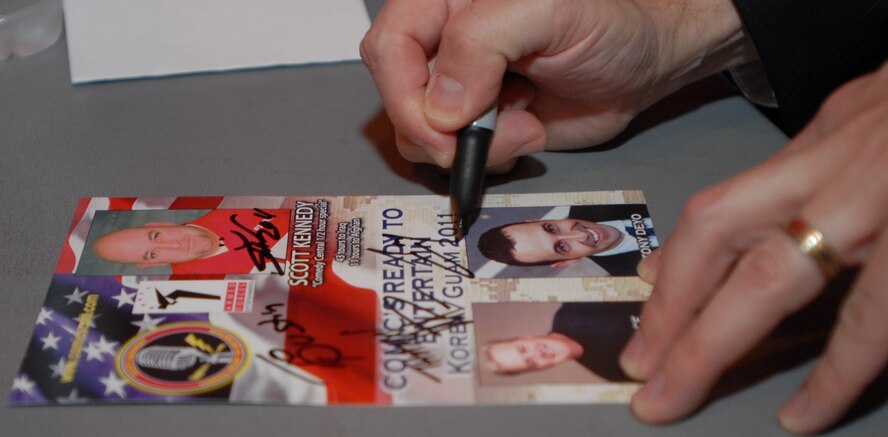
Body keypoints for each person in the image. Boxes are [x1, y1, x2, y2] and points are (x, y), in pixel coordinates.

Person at [360, 0, 888, 433]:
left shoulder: (578, 313)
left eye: (553, 229)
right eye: (562, 248)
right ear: (561, 269)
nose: (573, 233)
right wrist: (687, 27)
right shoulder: (593, 319)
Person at [92, 208, 290, 275]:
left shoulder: (236, 207)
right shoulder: (207, 287)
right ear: (155, 264)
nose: (174, 245)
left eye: (156, 236)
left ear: (162, 223)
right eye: (154, 253)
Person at [477, 204, 656, 276]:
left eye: (551, 228)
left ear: (535, 221)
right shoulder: (636, 275)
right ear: (564, 262)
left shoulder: (599, 193)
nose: (582, 235)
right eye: (562, 247)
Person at [483, 302, 641, 382]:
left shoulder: (579, 307)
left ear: (524, 337)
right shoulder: (611, 372)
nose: (538, 353)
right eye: (531, 362)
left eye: (523, 349)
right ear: (542, 368)